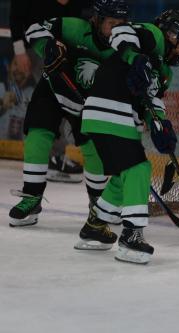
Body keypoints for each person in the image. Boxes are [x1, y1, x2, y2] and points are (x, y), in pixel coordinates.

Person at [75, 9, 179, 264]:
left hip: (111, 116)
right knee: (139, 168)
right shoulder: (154, 36)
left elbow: (151, 101)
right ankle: (131, 235)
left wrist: (161, 125)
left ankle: (95, 227)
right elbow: (121, 31)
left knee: (123, 176)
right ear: (173, 34)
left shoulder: (164, 71)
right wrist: (134, 57)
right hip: (109, 107)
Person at [8, 0, 129, 227]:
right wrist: (48, 47)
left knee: (93, 148)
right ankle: (31, 197)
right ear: (97, 20)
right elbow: (34, 28)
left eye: (120, 24)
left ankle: (98, 204)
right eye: (111, 23)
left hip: (87, 103)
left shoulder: (122, 48)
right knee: (37, 135)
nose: (115, 29)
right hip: (53, 88)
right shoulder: (73, 27)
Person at [9, 0, 92, 182]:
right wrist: (20, 50)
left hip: (65, 52)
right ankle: (53, 158)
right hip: (38, 49)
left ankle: (50, 158)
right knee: (52, 103)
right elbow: (16, 16)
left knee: (58, 103)